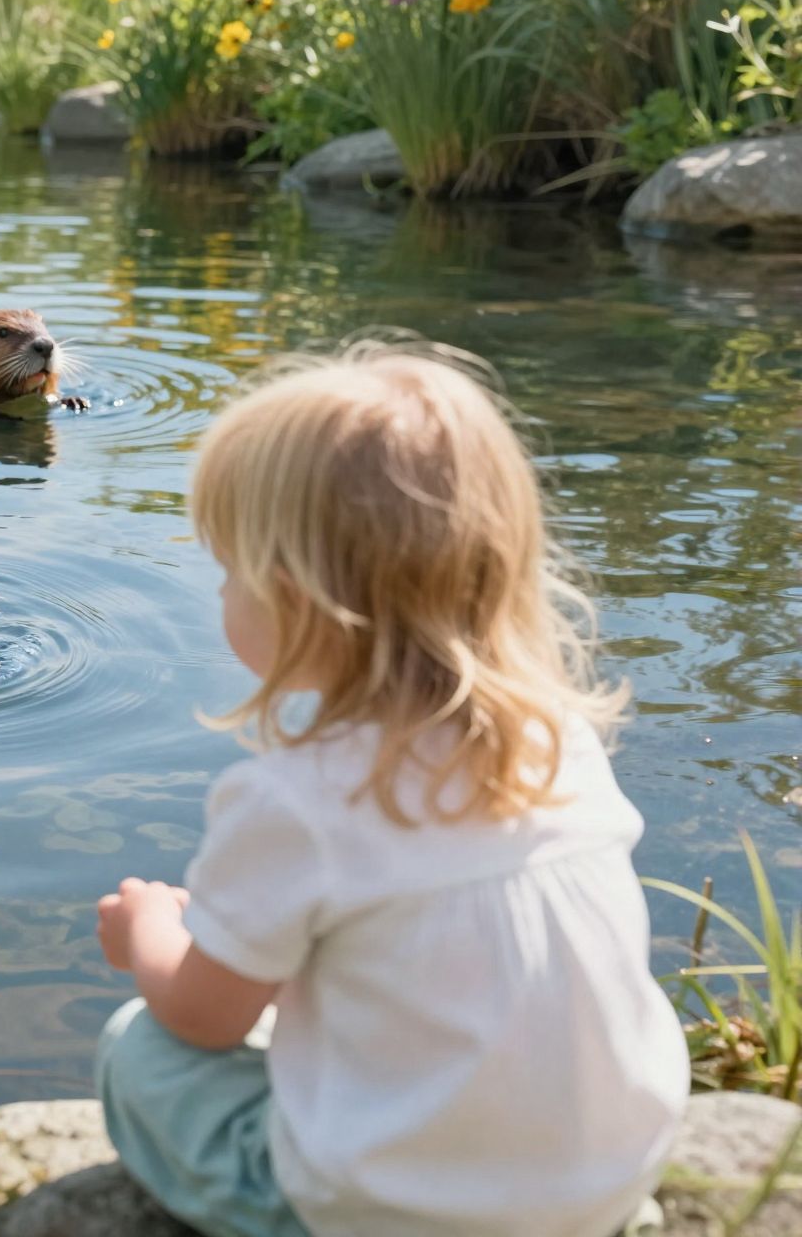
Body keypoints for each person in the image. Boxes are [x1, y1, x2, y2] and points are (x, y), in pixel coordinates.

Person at [94, 339, 686, 1237]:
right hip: (609, 1182)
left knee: (138, 1048)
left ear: (290, 598)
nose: (220, 595)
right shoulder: (559, 739)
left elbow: (203, 1020)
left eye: (227, 572)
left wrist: (148, 932)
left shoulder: (293, 801)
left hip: (399, 1214)